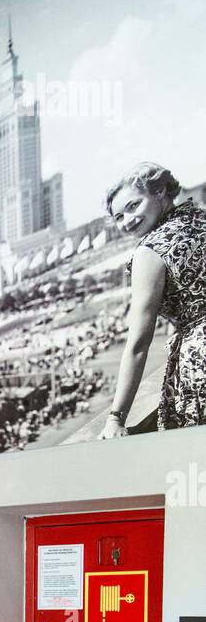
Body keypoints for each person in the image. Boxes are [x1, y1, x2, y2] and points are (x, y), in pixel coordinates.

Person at [101, 163, 206, 437]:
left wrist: (115, 417)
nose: (127, 221)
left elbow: (139, 343)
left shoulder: (150, 252)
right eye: (119, 217)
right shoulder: (200, 218)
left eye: (133, 206)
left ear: (159, 191)